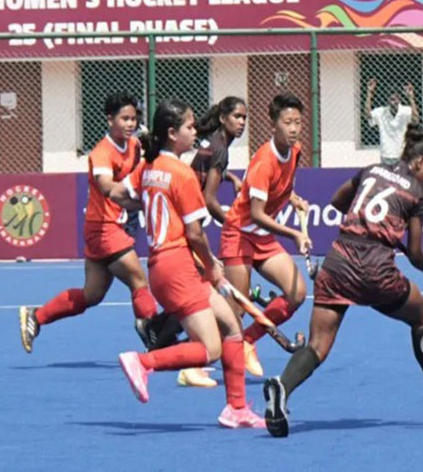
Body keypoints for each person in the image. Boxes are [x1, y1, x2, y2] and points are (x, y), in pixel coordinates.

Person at [262, 126, 423, 438]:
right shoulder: (417, 192)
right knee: (422, 319)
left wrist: (368, 223)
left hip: (336, 264)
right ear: (419, 163)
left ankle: (282, 387)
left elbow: (336, 201)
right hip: (375, 271)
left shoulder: (372, 170)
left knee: (318, 344)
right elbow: (415, 253)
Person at [116, 99, 262, 429]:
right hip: (177, 265)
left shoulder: (148, 167)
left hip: (167, 264)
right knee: (210, 349)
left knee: (232, 327)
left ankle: (236, 408)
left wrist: (148, 203)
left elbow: (118, 194)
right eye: (189, 127)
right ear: (172, 133)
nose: (195, 132)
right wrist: (213, 267)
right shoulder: (181, 173)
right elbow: (196, 233)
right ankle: (142, 361)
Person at [18, 92, 159, 353]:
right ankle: (156, 341)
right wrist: (143, 203)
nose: (130, 124)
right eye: (124, 119)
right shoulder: (102, 153)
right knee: (139, 280)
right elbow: (107, 187)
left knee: (91, 295)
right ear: (109, 120)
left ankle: (37, 317)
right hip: (103, 227)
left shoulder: (134, 145)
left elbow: (142, 170)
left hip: (110, 224)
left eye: (133, 119)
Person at [220, 92, 312, 379]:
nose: (294, 128)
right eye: (288, 122)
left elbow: (281, 187)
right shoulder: (263, 162)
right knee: (237, 310)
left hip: (261, 237)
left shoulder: (295, 152)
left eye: (298, 122)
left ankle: (247, 341)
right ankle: (196, 363)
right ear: (274, 124)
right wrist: (294, 234)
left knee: (297, 293)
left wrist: (293, 198)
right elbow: (258, 214)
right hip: (239, 233)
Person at [171, 96, 249, 389]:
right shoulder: (219, 149)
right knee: (204, 294)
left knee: (200, 290)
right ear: (223, 119)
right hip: (186, 227)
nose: (241, 123)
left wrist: (229, 177)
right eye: (237, 117)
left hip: (182, 222)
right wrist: (235, 223)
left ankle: (166, 336)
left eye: (244, 117)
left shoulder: (214, 144)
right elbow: (209, 200)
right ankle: (190, 363)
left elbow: (204, 169)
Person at [365, 78, 419, 167]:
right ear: (388, 101)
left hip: (401, 154)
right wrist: (369, 93)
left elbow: (416, 119)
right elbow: (368, 115)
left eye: (397, 99)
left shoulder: (405, 110)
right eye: (392, 99)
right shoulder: (382, 112)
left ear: (400, 100)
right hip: (386, 154)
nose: (394, 102)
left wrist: (411, 98)